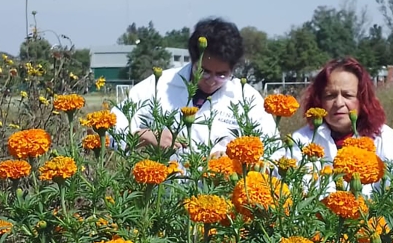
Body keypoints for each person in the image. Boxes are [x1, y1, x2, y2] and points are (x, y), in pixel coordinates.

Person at [112, 18, 278, 154]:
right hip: (165, 192)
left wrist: (234, 160)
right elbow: (110, 129)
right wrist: (146, 136)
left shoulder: (247, 98)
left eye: (222, 75)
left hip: (223, 192)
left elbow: (273, 151)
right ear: (192, 59)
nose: (212, 80)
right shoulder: (160, 85)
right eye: (204, 71)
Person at [287, 57, 393, 195]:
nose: (339, 103)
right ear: (319, 101)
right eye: (330, 95)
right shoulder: (301, 140)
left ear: (362, 99)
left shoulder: (386, 139)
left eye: (348, 95)